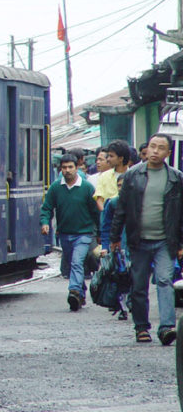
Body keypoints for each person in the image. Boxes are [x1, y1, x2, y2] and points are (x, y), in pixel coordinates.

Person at [110, 133, 183, 345]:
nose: (154, 151)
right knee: (139, 285)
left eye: (160, 148)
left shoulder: (176, 178)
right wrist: (115, 238)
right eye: (152, 146)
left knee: (164, 280)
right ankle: (141, 327)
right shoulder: (133, 175)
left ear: (168, 153)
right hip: (138, 240)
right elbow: (121, 209)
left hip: (164, 241)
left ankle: (167, 327)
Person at [40, 154, 100, 311]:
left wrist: (101, 233)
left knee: (76, 262)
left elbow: (96, 212)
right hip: (64, 235)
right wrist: (45, 223)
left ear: (77, 168)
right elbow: (47, 208)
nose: (67, 171)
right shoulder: (55, 187)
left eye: (70, 167)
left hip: (84, 234)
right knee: (73, 263)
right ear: (60, 169)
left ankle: (73, 290)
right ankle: (80, 293)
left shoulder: (87, 188)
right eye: (64, 168)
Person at [99, 174, 128, 320]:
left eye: (124, 185)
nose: (121, 188)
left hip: (135, 247)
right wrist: (105, 246)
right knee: (120, 277)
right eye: (119, 185)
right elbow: (106, 227)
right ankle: (123, 307)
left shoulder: (140, 203)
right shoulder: (112, 203)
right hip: (118, 248)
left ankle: (131, 303)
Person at [94, 139, 130, 212]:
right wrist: (106, 214)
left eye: (111, 156)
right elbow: (99, 199)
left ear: (121, 158)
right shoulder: (104, 176)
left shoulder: (133, 175)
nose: (108, 159)